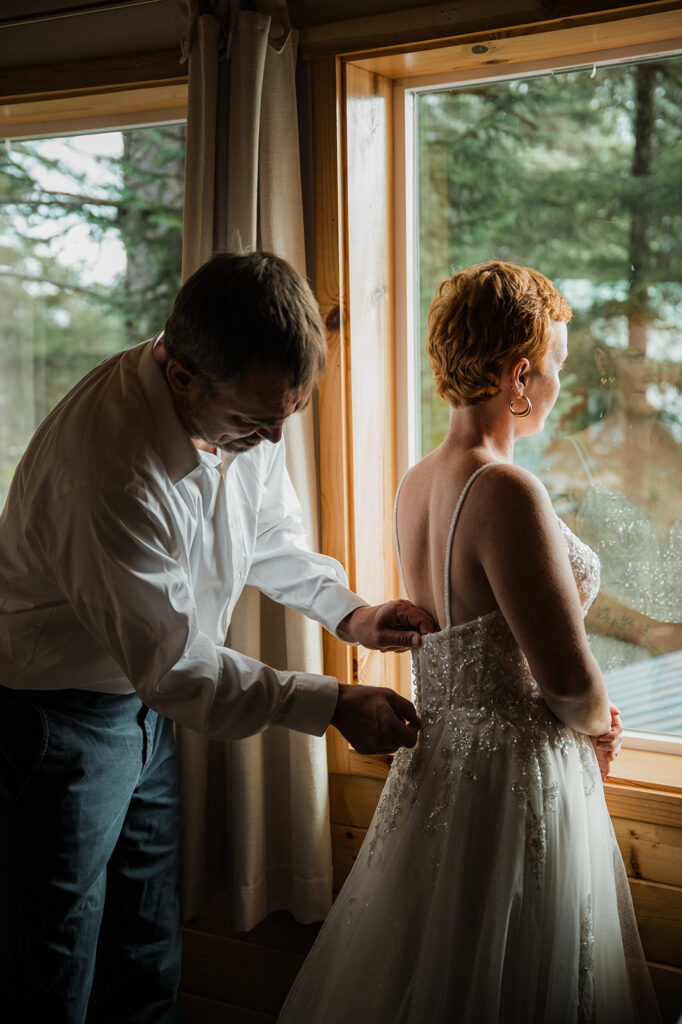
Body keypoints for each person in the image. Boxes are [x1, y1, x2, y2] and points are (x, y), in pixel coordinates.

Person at [0, 251, 434, 1023]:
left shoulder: (241, 411)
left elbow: (266, 532)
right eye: (252, 422)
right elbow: (175, 664)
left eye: (285, 419)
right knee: (53, 960)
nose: (270, 442)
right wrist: (331, 702)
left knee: (147, 947)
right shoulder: (107, 467)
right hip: (55, 722)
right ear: (181, 377)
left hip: (146, 708)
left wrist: (350, 612)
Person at [277, 261, 661, 1023]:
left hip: (442, 770)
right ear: (520, 373)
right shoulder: (506, 489)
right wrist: (603, 723)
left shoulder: (415, 481)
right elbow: (569, 682)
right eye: (554, 364)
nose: (556, 382)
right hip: (518, 781)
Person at [540, 339, 681, 729]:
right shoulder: (569, 459)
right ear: (607, 363)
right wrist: (656, 634)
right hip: (614, 682)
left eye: (665, 356)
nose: (653, 371)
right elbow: (553, 584)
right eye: (638, 355)